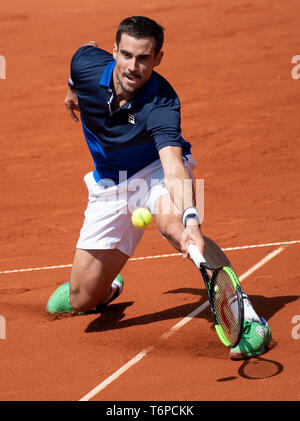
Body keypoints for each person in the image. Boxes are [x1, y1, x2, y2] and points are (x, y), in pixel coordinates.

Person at [46, 16, 272, 359]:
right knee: (78, 301)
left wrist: (192, 221)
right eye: (126, 55)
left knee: (175, 229)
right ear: (114, 51)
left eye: (144, 58)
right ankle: (106, 287)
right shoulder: (86, 65)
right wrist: (71, 88)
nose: (133, 67)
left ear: (158, 58)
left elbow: (172, 164)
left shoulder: (163, 103)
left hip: (155, 172)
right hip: (110, 184)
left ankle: (250, 319)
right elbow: (82, 55)